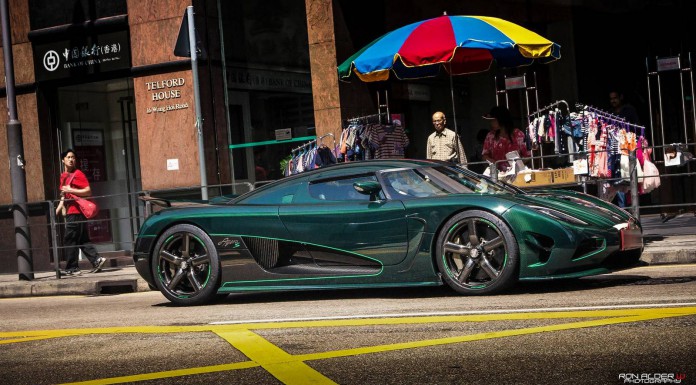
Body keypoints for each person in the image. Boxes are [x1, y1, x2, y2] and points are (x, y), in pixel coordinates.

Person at [55, 149, 106, 275]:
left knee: (70, 238)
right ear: (63, 160)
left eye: (73, 157)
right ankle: (96, 260)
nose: (71, 159)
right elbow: (64, 194)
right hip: (70, 211)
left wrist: (71, 189)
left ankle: (72, 268)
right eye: (68, 157)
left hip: (76, 211)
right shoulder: (63, 176)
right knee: (82, 239)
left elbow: (88, 191)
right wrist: (59, 206)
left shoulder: (78, 174)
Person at [609, 89, 640, 208]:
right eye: (611, 99)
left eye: (615, 98)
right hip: (617, 148)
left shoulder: (629, 110)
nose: (613, 101)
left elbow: (636, 126)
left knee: (630, 174)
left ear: (620, 97)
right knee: (619, 176)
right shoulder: (610, 113)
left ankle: (633, 205)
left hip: (629, 146)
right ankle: (623, 208)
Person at [481, 105, 530, 172]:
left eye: (493, 120)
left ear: (502, 119)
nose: (491, 123)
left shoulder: (518, 134)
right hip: (497, 175)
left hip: (517, 174)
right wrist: (492, 161)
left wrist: (516, 165)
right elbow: (484, 156)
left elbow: (528, 156)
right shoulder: (490, 136)